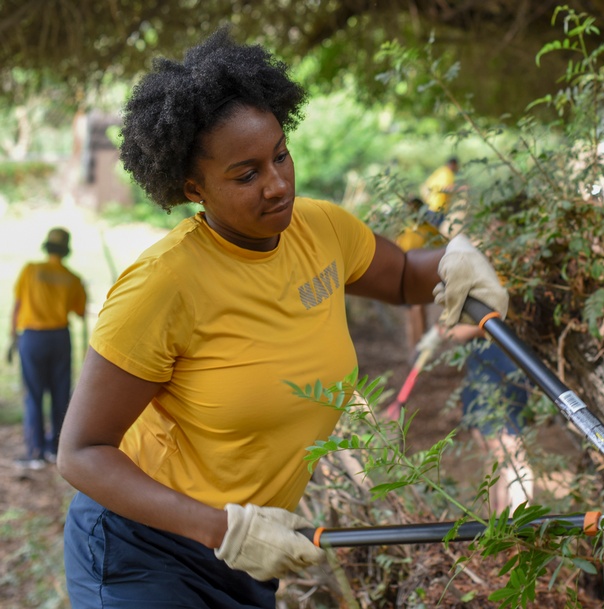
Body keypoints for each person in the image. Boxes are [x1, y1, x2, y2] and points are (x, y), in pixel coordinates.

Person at [56, 28, 508, 609]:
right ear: (192, 188)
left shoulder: (320, 229)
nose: (277, 185)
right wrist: (219, 528)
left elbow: (399, 277)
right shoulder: (163, 286)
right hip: (143, 552)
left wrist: (452, 262)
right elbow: (82, 452)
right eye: (245, 176)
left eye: (281, 155)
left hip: (246, 556)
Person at [10, 227, 87, 470]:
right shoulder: (73, 278)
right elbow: (81, 312)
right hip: (60, 338)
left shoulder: (31, 270)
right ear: (66, 249)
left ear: (48, 246)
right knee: (60, 393)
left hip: (32, 338)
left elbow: (18, 305)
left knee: (33, 395)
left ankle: (34, 453)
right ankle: (55, 449)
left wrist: (12, 336)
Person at [445, 323, 535, 513]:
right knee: (489, 452)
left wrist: (455, 330)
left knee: (509, 451)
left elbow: (494, 322)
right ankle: (495, 520)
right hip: (479, 374)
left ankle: (519, 520)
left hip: (502, 372)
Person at [394, 197, 445, 351]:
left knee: (416, 310)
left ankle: (418, 349)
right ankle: (416, 349)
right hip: (408, 278)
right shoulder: (408, 232)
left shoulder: (424, 231)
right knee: (414, 312)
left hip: (417, 279)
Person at [419, 157, 462, 234]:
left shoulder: (439, 172)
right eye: (457, 166)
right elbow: (446, 188)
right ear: (453, 164)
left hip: (432, 207)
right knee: (434, 233)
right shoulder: (447, 173)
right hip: (437, 209)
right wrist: (461, 188)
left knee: (432, 232)